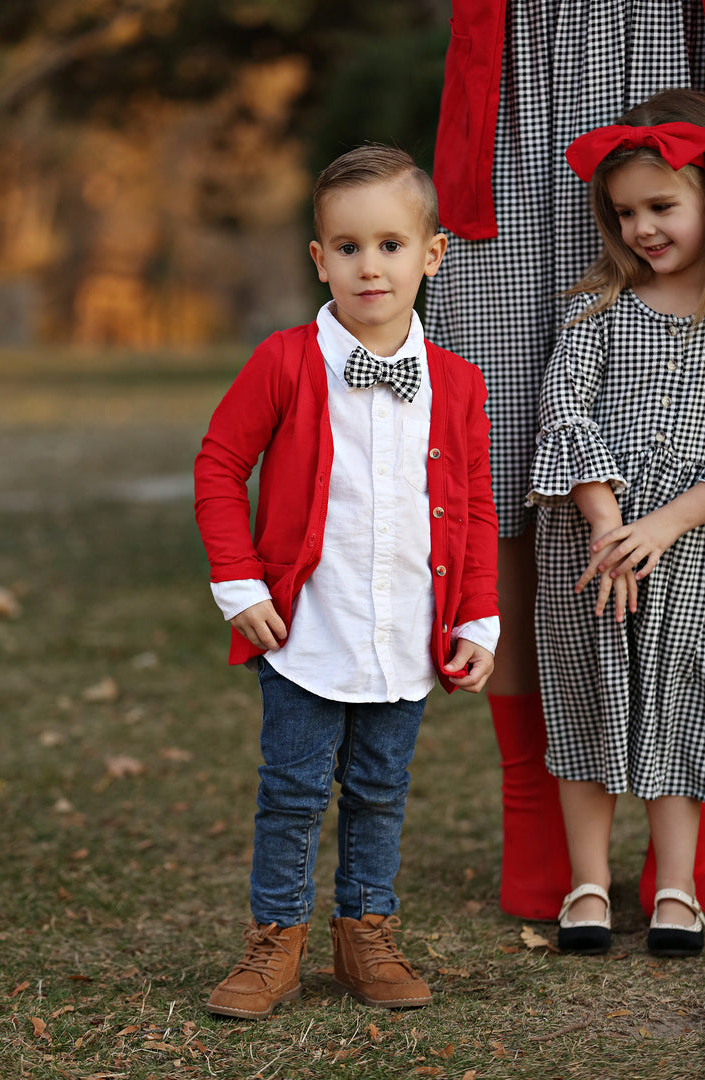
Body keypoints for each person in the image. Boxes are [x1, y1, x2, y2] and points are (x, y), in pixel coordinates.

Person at [193, 145, 500, 1019]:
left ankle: (365, 931)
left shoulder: (458, 384)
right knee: (290, 792)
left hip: (406, 633)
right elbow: (219, 466)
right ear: (319, 258)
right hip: (305, 635)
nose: (372, 265)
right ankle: (273, 943)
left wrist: (478, 618)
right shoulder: (287, 362)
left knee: (379, 792)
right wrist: (239, 582)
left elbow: (473, 510)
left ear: (431, 254)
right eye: (350, 247)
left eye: (392, 245)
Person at [427, 0, 705, 921]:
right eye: (629, 214)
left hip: (675, 32)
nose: (639, 226)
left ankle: (686, 845)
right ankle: (540, 816)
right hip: (524, 72)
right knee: (504, 440)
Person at [527, 88, 705, 956]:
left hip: (689, 547)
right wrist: (605, 519)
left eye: (662, 206)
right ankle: (587, 884)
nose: (642, 227)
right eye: (626, 212)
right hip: (591, 549)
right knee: (587, 700)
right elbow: (564, 409)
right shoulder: (594, 307)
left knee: (681, 703)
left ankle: (676, 888)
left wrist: (665, 524)